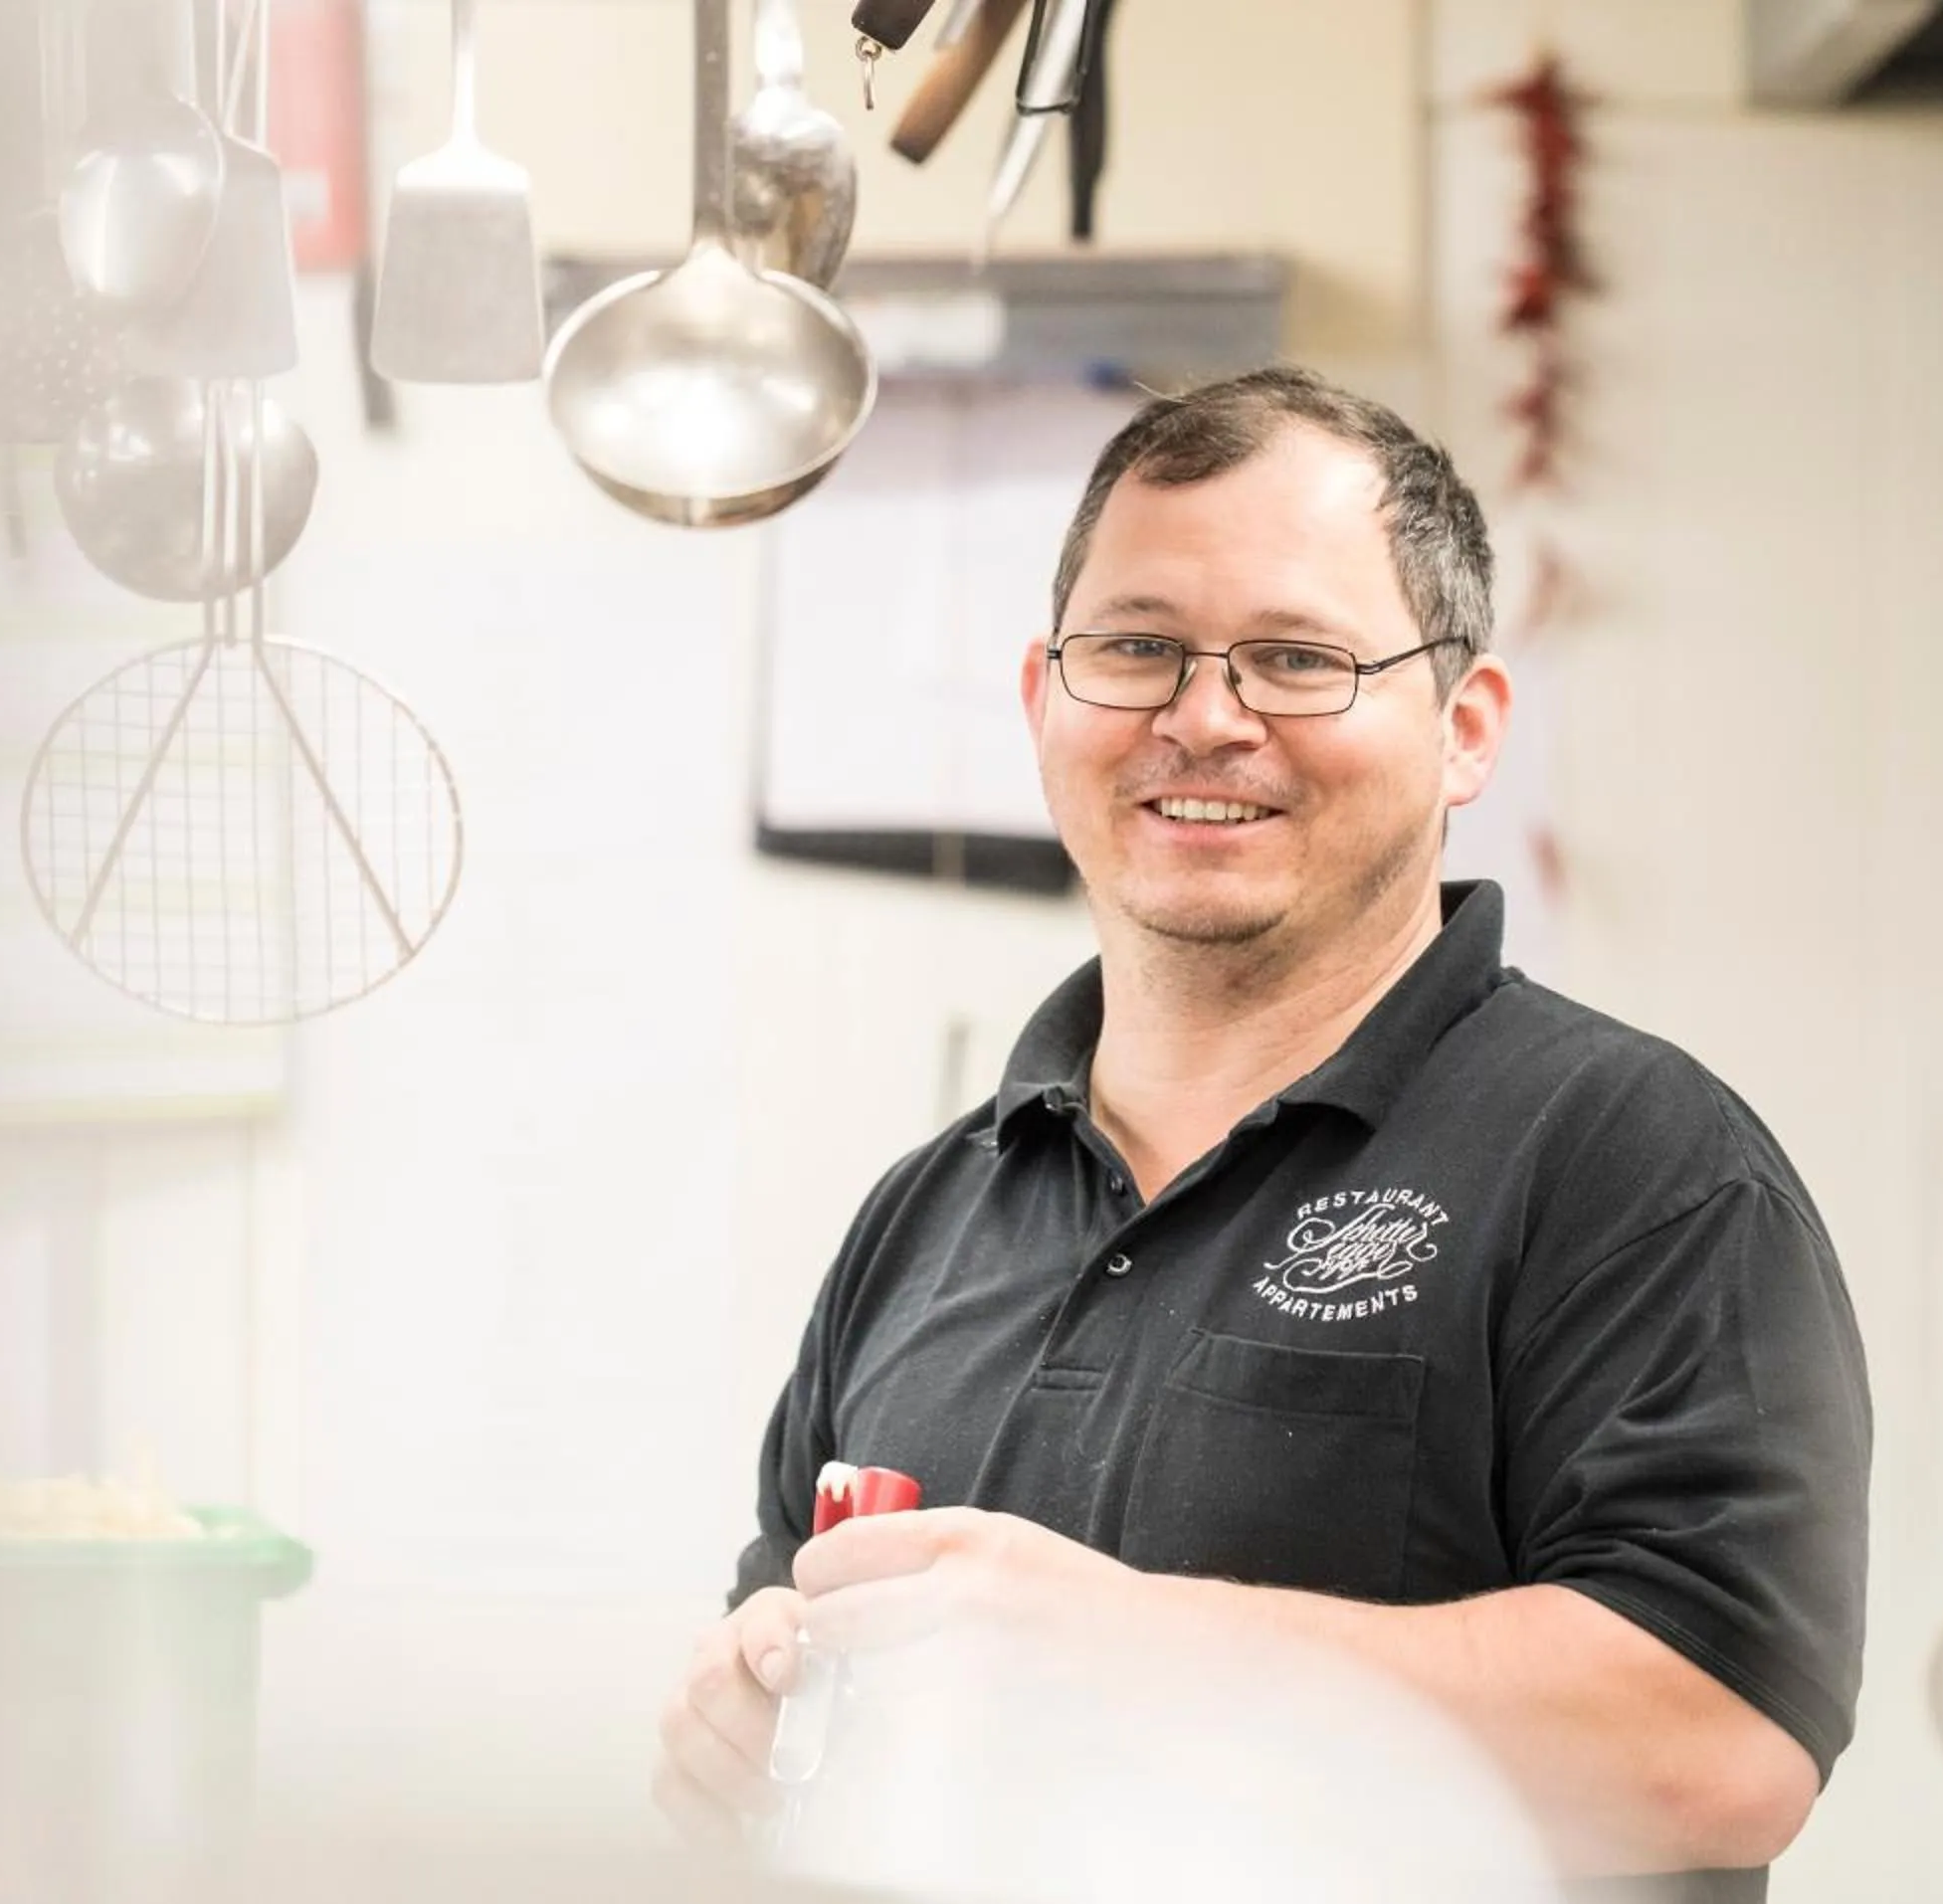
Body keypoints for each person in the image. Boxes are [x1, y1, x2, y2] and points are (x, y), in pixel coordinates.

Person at [655, 368, 1871, 1904]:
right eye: (1137, 647)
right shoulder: (928, 1212)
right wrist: (738, 1730)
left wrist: (1121, 1649)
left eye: (1298, 659)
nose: (1204, 717)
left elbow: (1716, 1745)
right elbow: (793, 1661)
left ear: (1467, 726)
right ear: (1044, 695)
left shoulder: (1635, 1161)